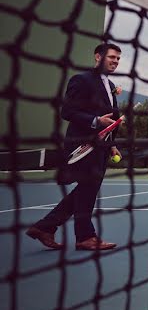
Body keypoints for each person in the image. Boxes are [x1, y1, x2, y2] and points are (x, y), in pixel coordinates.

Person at [26, 43, 123, 251]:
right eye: (112, 57)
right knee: (88, 188)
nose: (115, 61)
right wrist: (96, 121)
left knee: (86, 189)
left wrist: (111, 145)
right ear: (98, 57)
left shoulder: (110, 85)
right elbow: (67, 112)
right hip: (83, 145)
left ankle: (45, 227)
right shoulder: (81, 80)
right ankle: (85, 237)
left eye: (118, 59)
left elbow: (112, 119)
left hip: (101, 147)